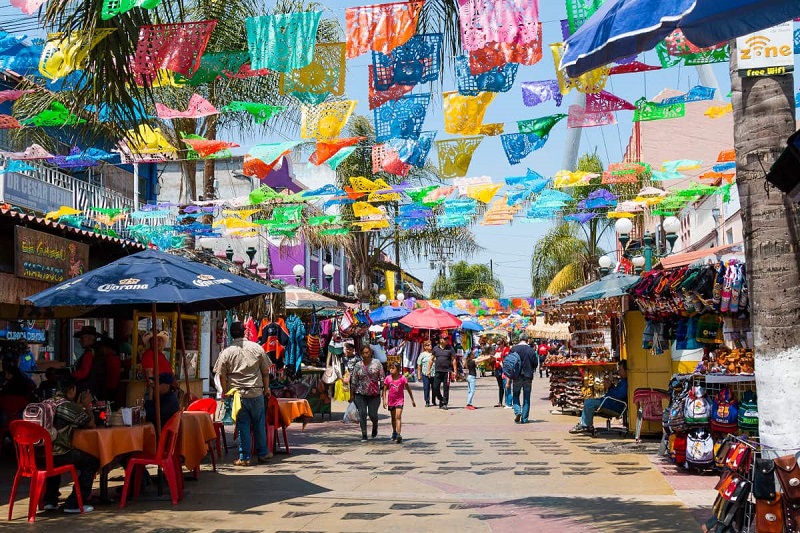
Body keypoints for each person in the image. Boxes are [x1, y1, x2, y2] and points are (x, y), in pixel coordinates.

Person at [214, 321, 272, 466]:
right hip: (256, 392)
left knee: (243, 425)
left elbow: (222, 375)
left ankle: (245, 457)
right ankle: (263, 453)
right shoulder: (257, 348)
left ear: (231, 334)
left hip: (238, 395)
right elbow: (266, 371)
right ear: (244, 332)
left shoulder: (226, 352)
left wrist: (226, 392)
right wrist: (267, 389)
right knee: (259, 424)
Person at [43, 376, 99, 514]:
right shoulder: (66, 406)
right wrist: (87, 406)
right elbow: (91, 424)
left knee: (53, 458)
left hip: (39, 456)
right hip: (59, 455)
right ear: (72, 389)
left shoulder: (46, 403)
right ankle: (74, 503)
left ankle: (50, 501)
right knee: (92, 460)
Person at [570, 360, 629, 434]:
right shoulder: (623, 381)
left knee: (589, 402)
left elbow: (618, 395)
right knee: (589, 401)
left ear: (626, 370)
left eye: (620, 370)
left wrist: (610, 387)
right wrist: (610, 387)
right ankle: (584, 423)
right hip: (610, 402)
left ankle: (586, 425)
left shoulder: (626, 383)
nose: (619, 372)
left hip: (614, 405)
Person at [349, 346, 384, 441]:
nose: (365, 355)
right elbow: (353, 381)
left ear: (371, 353)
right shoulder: (358, 365)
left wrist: (383, 392)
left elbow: (382, 378)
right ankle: (364, 434)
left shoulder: (377, 363)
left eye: (367, 352)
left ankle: (375, 425)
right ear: (361, 354)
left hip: (374, 394)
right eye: (363, 353)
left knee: (373, 414)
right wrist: (351, 394)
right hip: (360, 393)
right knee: (362, 413)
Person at [382, 361, 416, 443]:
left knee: (398, 416)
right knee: (393, 418)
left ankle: (399, 434)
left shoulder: (403, 378)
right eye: (390, 368)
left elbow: (408, 389)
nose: (391, 370)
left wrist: (412, 400)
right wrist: (384, 400)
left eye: (393, 368)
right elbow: (384, 390)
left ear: (398, 370)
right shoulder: (388, 378)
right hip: (391, 401)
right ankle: (394, 432)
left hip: (400, 401)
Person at [511, 334, 537, 424]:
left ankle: (518, 411)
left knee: (515, 395)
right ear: (527, 340)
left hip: (517, 376)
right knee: (526, 397)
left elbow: (509, 362)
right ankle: (525, 419)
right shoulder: (531, 350)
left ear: (519, 339)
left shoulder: (514, 349)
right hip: (528, 376)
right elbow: (535, 364)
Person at [428, 336, 457, 410]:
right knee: (435, 387)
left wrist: (455, 371)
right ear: (441, 340)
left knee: (446, 388)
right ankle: (441, 398)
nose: (447, 340)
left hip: (447, 371)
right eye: (445, 339)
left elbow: (453, 360)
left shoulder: (450, 349)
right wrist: (428, 369)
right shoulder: (435, 348)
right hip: (438, 371)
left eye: (447, 339)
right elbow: (431, 359)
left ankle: (445, 403)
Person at [72, 325, 100, 395]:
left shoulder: (89, 353)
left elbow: (83, 373)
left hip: (88, 390)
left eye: (81, 338)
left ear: (87, 338)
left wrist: (70, 376)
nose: (79, 341)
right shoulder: (97, 351)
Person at [416, 341, 435, 407]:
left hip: (434, 373)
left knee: (435, 387)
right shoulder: (422, 354)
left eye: (431, 345)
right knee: (426, 388)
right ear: (425, 347)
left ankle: (434, 400)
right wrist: (419, 374)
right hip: (425, 373)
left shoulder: (434, 353)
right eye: (428, 345)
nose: (430, 346)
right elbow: (419, 365)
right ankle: (427, 401)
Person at [492, 339, 510, 408]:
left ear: (503, 344)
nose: (498, 345)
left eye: (499, 344)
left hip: (503, 369)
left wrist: (499, 359)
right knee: (500, 386)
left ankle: (507, 402)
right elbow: (495, 358)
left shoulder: (506, 349)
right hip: (497, 369)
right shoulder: (497, 350)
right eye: (497, 344)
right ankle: (500, 402)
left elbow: (506, 359)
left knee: (505, 385)